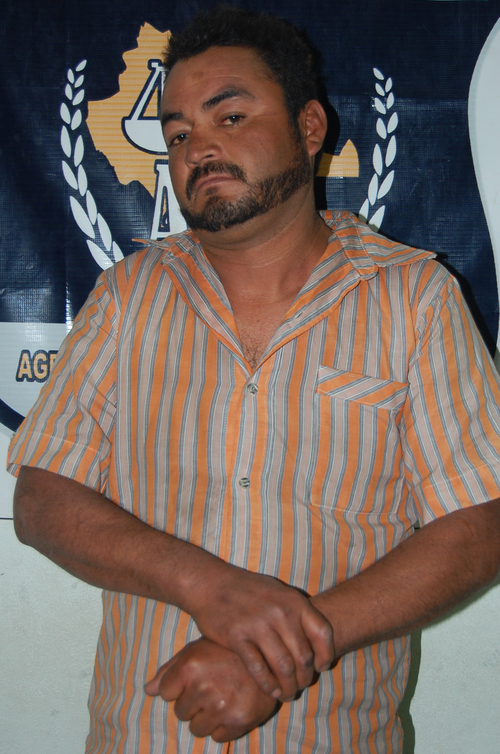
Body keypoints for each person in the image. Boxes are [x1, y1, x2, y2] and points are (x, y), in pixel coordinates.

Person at [9, 6, 500, 753]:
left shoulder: (415, 298)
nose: (199, 147)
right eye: (177, 134)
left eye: (230, 116)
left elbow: (479, 525)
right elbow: (43, 497)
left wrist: (278, 652)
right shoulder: (128, 296)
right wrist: (208, 587)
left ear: (310, 127)